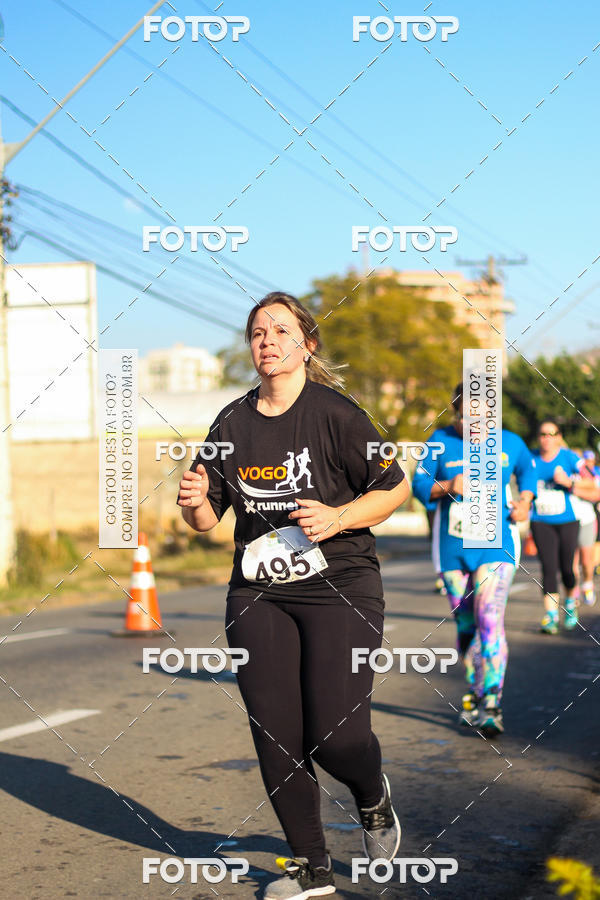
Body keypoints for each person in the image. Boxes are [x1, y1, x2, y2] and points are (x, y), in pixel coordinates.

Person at [178, 292, 409, 900]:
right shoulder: (230, 423)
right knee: (276, 733)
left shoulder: (337, 414)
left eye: (281, 330)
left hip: (342, 587)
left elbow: (394, 487)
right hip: (260, 595)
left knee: (337, 736)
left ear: (307, 345)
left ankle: (371, 794)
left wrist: (337, 518)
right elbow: (207, 520)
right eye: (257, 333)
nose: (267, 341)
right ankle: (311, 869)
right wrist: (197, 501)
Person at [412, 382, 536, 737]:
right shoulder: (439, 440)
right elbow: (418, 485)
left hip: (495, 544)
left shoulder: (510, 442)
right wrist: (449, 485)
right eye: (468, 415)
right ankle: (474, 690)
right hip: (452, 548)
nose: (477, 423)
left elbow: (528, 471)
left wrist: (526, 499)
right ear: (456, 414)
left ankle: (492, 702)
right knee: (466, 627)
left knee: (488, 616)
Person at [529, 421, 599, 633]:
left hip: (568, 520)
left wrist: (569, 482)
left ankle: (570, 603)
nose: (547, 437)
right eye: (542, 434)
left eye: (552, 433)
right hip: (541, 521)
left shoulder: (568, 457)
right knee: (548, 568)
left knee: (568, 569)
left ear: (558, 436)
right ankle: (550, 616)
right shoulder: (530, 457)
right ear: (538, 436)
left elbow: (594, 482)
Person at [571, 450, 600, 607]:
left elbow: (597, 494)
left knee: (586, 561)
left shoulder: (590, 475)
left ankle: (587, 584)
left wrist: (573, 488)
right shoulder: (563, 473)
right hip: (568, 521)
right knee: (571, 562)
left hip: (587, 520)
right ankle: (573, 592)